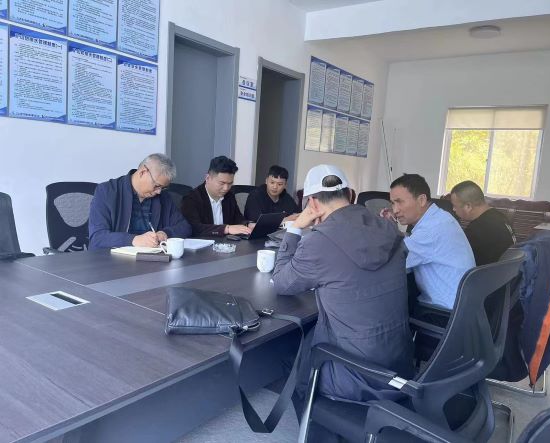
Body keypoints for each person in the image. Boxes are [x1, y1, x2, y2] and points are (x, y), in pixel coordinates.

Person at [273, 164, 414, 423]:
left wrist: (295, 228)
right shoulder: (388, 228)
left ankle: (319, 428)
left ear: (312, 203)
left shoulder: (319, 240)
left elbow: (282, 282)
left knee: (289, 356)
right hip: (398, 363)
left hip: (354, 375)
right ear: (350, 194)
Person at [381, 173, 475, 309]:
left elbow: (389, 263)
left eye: (400, 202)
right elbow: (411, 245)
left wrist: (384, 229)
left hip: (442, 312)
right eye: (392, 203)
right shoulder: (441, 218)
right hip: (461, 308)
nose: (395, 210)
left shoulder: (430, 230)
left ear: (421, 200)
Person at [89, 153, 191, 250]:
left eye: (163, 188)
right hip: (113, 259)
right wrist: (134, 240)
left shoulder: (163, 197)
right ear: (143, 172)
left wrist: (165, 233)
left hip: (153, 258)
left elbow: (185, 227)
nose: (159, 191)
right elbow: (98, 238)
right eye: (157, 186)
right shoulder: (106, 191)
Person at [181, 156, 253, 237]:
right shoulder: (191, 198)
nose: (226, 188)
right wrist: (226, 229)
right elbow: (194, 228)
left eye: (230, 183)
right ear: (208, 178)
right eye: (222, 183)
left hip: (226, 243)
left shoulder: (229, 196)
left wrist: (248, 225)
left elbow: (238, 219)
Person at [450, 180, 516, 266]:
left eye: (455, 206)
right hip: (506, 271)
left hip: (486, 273)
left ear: (468, 206)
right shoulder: (500, 217)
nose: (453, 209)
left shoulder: (476, 229)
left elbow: (456, 259)